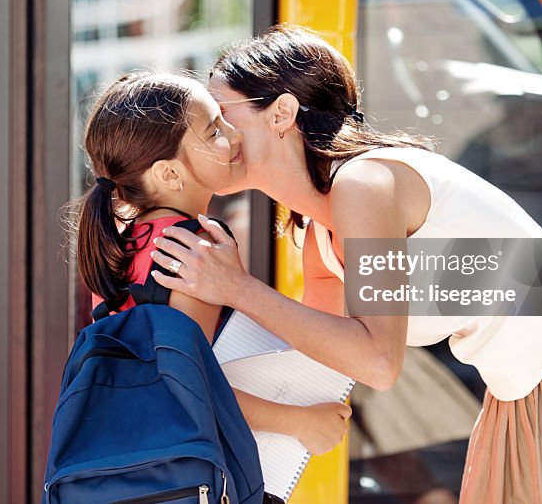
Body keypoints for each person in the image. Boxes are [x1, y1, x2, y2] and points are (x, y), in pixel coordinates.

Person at [148, 26, 542, 503]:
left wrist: (239, 289)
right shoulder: (318, 233)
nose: (218, 139)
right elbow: (316, 362)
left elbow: (376, 360)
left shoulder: (364, 184)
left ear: (281, 114)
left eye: (224, 117)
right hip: (526, 386)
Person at [69, 70, 351, 457]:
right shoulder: (192, 247)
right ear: (169, 173)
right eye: (215, 131)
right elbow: (189, 386)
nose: (235, 136)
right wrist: (302, 423)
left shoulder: (125, 243)